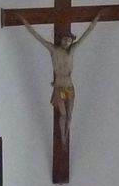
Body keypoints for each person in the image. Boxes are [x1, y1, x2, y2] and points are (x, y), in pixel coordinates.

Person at [21, 18, 98, 156]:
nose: (66, 42)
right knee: (63, 114)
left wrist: (96, 20)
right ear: (61, 40)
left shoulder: (72, 50)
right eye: (64, 39)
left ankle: (66, 136)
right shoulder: (53, 50)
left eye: (69, 40)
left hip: (69, 87)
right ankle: (63, 138)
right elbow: (37, 36)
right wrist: (24, 22)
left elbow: (87, 33)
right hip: (59, 88)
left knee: (69, 115)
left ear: (71, 41)